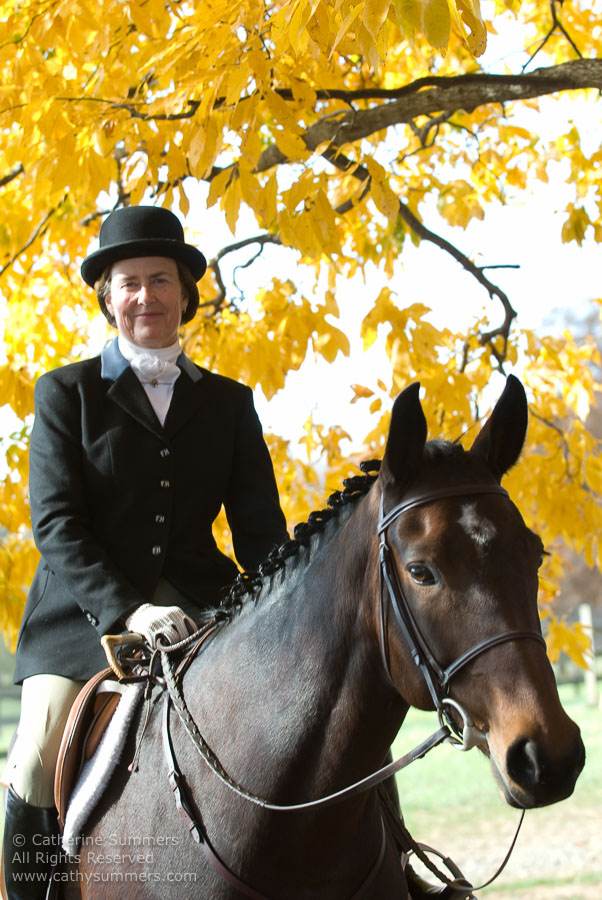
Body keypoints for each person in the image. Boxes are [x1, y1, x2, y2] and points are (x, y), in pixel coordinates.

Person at [1, 205, 289, 899]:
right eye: (129, 283)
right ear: (108, 296)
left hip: (204, 609)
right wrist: (128, 608)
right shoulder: (64, 393)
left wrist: (289, 608)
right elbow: (58, 524)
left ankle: (395, 867)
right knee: (38, 755)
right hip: (80, 620)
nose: (145, 297)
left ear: (185, 295)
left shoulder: (229, 402)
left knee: (312, 711)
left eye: (160, 281)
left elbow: (259, 530)